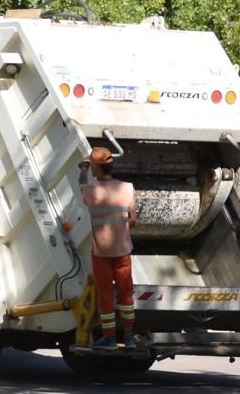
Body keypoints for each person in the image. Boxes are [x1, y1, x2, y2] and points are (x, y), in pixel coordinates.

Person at [79, 146, 137, 350]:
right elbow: (133, 218)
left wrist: (82, 170)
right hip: (123, 251)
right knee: (126, 295)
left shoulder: (91, 191)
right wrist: (120, 230)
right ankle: (129, 338)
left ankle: (110, 338)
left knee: (105, 296)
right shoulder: (127, 188)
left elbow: (81, 187)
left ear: (95, 167)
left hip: (102, 253)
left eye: (92, 166)